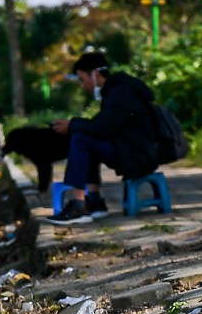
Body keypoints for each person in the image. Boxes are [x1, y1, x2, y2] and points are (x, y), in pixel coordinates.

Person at [47, 52, 162, 223]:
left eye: (81, 79)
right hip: (131, 149)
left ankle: (79, 204)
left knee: (81, 138)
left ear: (95, 74)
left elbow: (103, 128)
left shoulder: (121, 93)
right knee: (86, 137)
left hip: (138, 155)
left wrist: (71, 125)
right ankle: (94, 201)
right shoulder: (114, 91)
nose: (82, 85)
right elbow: (103, 125)